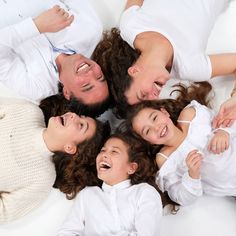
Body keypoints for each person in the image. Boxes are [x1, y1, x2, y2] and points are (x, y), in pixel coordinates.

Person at [93, 0, 235, 117]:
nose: (155, 96)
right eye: (151, 102)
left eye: (143, 94)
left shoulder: (130, 27)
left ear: (134, 71)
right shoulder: (190, 67)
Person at [0, 96, 110, 224]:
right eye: (80, 115)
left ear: (70, 148)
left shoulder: (43, 178)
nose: (73, 115)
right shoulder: (29, 112)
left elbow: (4, 213)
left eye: (80, 125)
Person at [125, 82, 236, 206]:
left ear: (164, 112)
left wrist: (223, 131)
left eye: (155, 118)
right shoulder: (165, 159)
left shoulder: (191, 115)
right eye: (147, 131)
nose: (156, 128)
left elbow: (229, 116)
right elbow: (181, 197)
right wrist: (192, 175)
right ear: (148, 141)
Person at [0, 1, 109, 116]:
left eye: (86, 85)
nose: (91, 73)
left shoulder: (36, 87)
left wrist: (36, 26)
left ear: (67, 93)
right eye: (100, 77)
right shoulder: (91, 30)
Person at [57, 132, 163, 236]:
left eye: (114, 152)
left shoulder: (144, 193)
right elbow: (66, 232)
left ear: (131, 167)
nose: (104, 154)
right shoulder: (87, 195)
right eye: (102, 150)